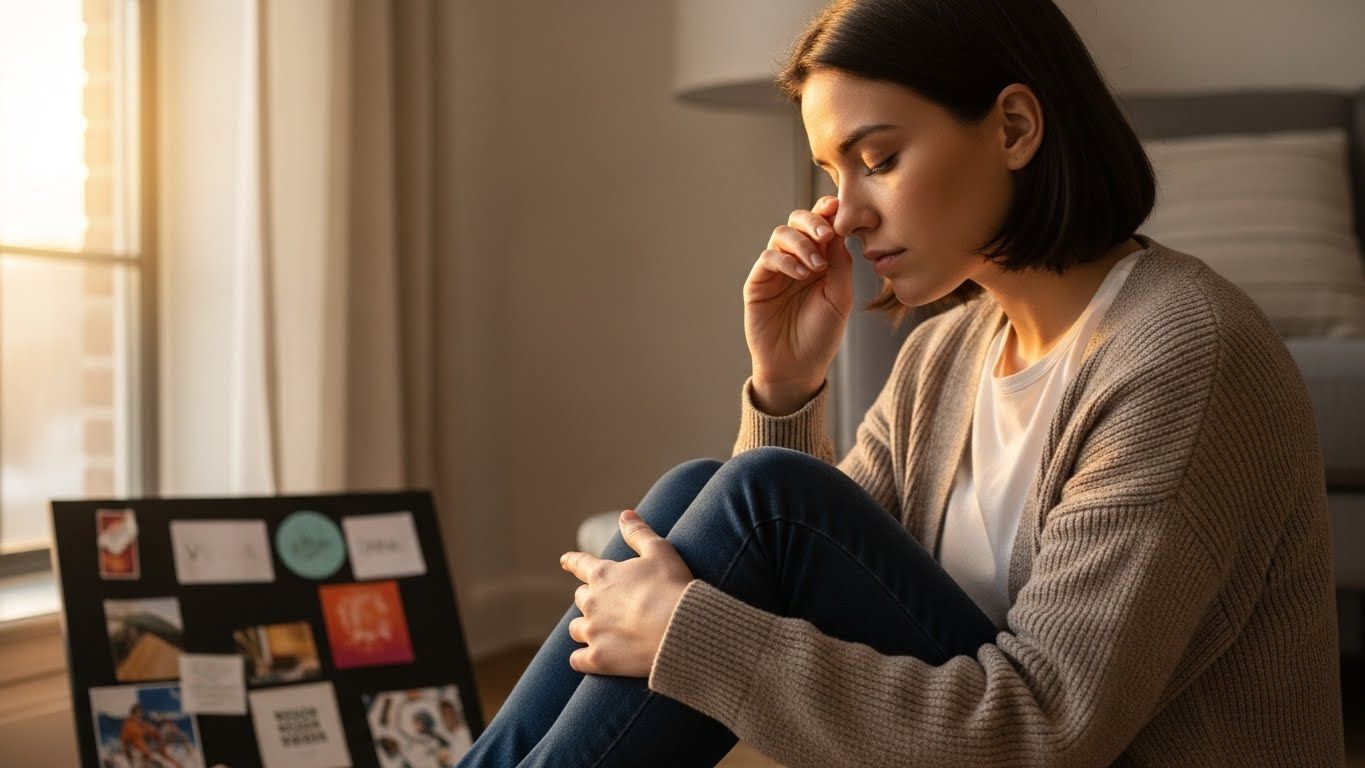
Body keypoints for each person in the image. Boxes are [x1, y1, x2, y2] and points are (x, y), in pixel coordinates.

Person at [455, 0, 1344, 765]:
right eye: (831, 175)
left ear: (1013, 128)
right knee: (706, 490)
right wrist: (785, 384)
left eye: (876, 159)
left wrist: (683, 634)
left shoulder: (1180, 352)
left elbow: (1046, 733)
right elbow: (778, 568)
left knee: (754, 499)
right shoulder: (945, 352)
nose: (844, 215)